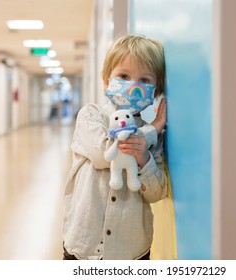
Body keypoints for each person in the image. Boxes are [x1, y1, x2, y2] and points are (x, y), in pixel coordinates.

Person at [62, 34, 167, 260]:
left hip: (130, 251)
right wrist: (151, 131)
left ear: (156, 91)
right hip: (83, 246)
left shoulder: (156, 139)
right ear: (107, 80)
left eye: (145, 81)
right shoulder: (90, 115)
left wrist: (144, 159)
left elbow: (157, 192)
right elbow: (103, 155)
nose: (133, 86)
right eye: (124, 76)